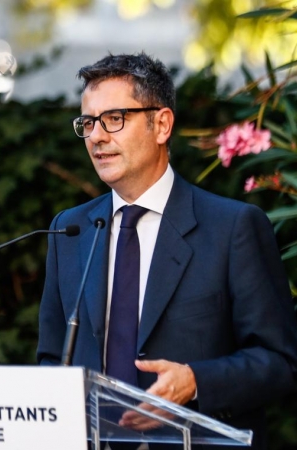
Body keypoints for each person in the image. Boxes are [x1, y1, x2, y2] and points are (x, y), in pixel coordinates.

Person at [36, 52, 297, 449]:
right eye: (88, 123)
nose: (97, 136)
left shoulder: (232, 228)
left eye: (114, 119)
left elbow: (280, 362)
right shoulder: (69, 230)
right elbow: (52, 360)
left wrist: (195, 381)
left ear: (161, 125)